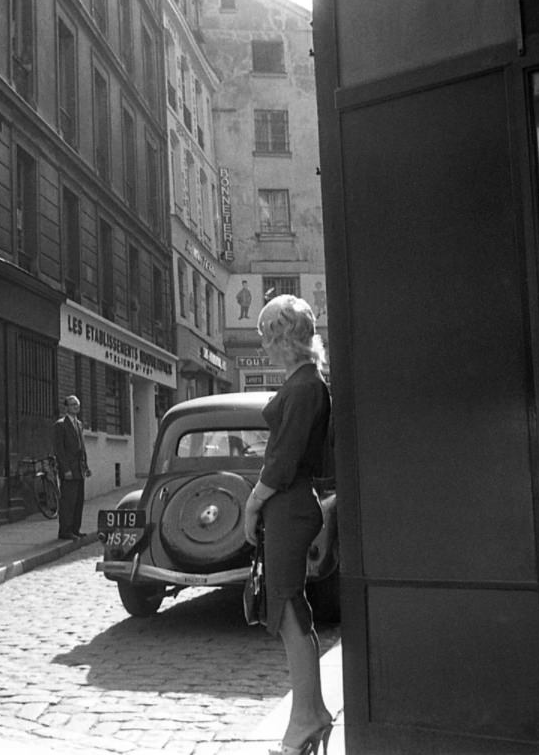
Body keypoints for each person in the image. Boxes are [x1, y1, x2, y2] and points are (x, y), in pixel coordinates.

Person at [243, 295, 334, 755]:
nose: (264, 345)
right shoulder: (307, 383)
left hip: (289, 502)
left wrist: (253, 503)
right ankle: (310, 712)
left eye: (267, 336)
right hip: (294, 503)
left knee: (285, 610)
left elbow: (281, 461)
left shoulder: (303, 387)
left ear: (282, 338)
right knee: (292, 609)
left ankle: (306, 717)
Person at [52, 394, 91, 541]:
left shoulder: (79, 424)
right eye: (73, 405)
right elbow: (59, 450)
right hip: (69, 469)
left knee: (78, 500)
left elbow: (82, 447)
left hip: (79, 469)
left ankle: (75, 529)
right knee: (68, 501)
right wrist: (65, 469)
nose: (76, 407)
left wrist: (86, 466)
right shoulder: (60, 425)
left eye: (78, 405)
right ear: (66, 407)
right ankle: (65, 530)